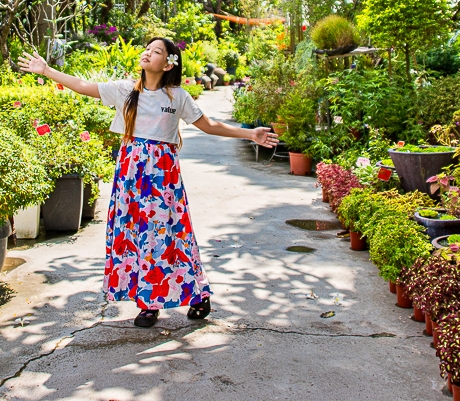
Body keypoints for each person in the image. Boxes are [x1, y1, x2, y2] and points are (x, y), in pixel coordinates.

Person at [17, 37, 278, 327]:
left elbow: (210, 126)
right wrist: (46, 70)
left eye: (156, 52)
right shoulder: (125, 90)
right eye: (147, 49)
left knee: (170, 236)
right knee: (134, 236)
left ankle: (198, 295)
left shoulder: (177, 96)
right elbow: (81, 85)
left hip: (163, 181)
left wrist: (250, 134)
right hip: (130, 177)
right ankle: (148, 302)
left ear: (167, 64)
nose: (147, 53)